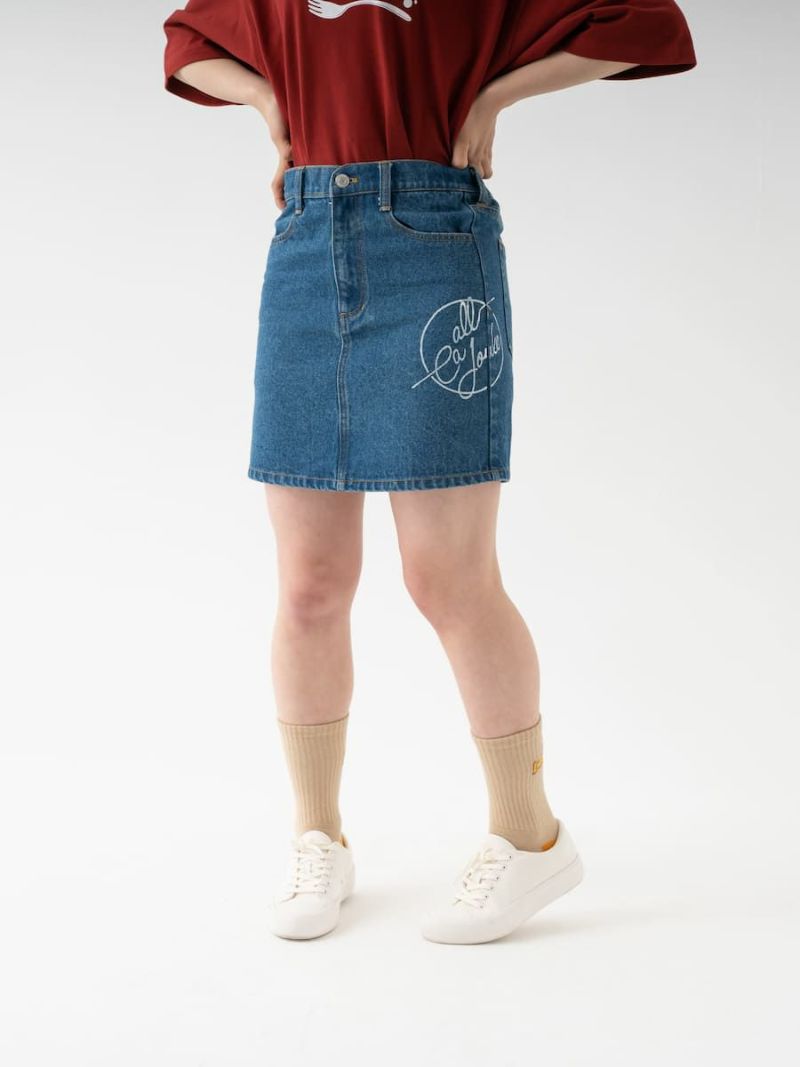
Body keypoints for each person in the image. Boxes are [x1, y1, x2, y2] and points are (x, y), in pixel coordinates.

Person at [161, 0, 697, 944]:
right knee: (310, 583)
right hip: (306, 237)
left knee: (448, 576)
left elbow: (645, 23)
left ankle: (531, 836)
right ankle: (319, 834)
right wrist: (268, 103)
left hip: (435, 238)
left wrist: (496, 95)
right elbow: (186, 42)